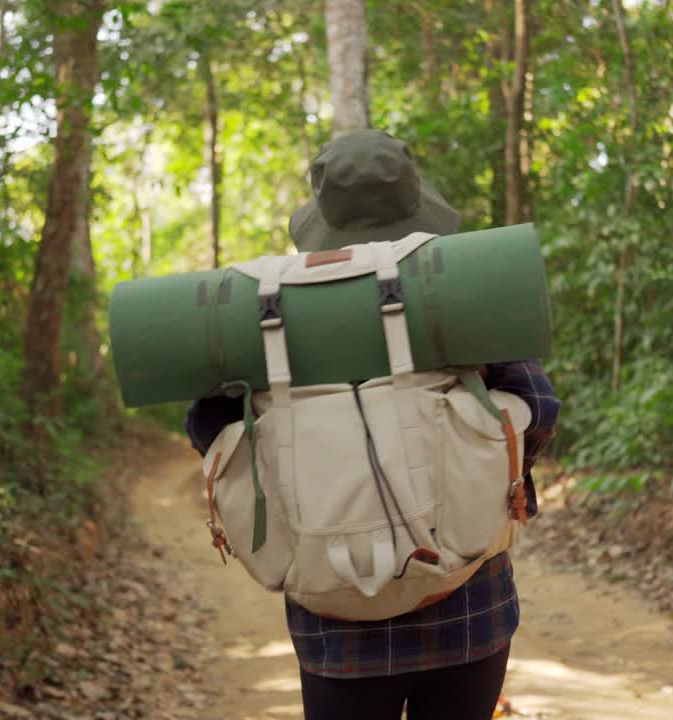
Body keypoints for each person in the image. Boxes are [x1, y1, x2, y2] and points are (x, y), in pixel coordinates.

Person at [185, 129, 561, 720]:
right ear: (415, 201)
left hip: (336, 622)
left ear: (321, 211)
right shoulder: (457, 291)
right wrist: (497, 481)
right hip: (467, 605)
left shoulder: (265, 309)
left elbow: (208, 428)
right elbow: (538, 404)